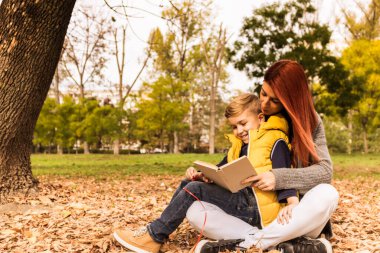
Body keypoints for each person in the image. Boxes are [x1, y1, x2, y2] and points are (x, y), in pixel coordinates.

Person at [113, 93, 297, 253]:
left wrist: (291, 202)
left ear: (260, 118)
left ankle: (154, 236)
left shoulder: (274, 140)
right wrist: (203, 174)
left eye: (243, 123)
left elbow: (283, 173)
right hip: (242, 199)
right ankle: (157, 230)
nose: (239, 131)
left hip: (257, 208)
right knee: (189, 184)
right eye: (234, 126)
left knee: (195, 189)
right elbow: (221, 170)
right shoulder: (238, 145)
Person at [187, 60, 339, 253]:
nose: (265, 104)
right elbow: (232, 159)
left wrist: (278, 177)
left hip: (293, 213)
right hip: (250, 211)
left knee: (328, 193)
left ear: (290, 100)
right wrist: (208, 174)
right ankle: (288, 245)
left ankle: (246, 245)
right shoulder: (254, 115)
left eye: (274, 100)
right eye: (263, 93)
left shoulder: (311, 121)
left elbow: (325, 172)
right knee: (194, 211)